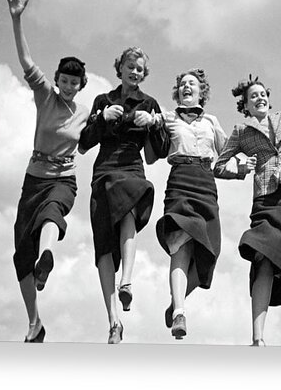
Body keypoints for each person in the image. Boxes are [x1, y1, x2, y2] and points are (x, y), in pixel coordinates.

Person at [5, 0, 90, 343]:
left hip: (63, 180)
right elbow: (26, 61)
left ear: (82, 85)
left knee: (52, 215)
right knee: (19, 255)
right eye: (65, 81)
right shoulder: (45, 96)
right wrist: (17, 18)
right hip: (33, 179)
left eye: (75, 82)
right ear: (57, 81)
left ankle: (48, 256)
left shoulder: (86, 113)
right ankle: (35, 323)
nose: (69, 86)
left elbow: (106, 129)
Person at [214, 76, 281, 347]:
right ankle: (257, 339)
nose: (260, 98)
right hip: (265, 200)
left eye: (263, 94)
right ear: (245, 104)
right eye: (253, 96)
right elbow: (218, 166)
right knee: (262, 260)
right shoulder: (240, 130)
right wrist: (240, 170)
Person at [79, 47, 164, 344]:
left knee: (129, 207)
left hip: (131, 166)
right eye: (130, 66)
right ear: (120, 68)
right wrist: (101, 118)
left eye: (140, 68)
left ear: (144, 74)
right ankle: (114, 321)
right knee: (103, 244)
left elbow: (160, 152)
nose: (135, 71)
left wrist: (153, 124)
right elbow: (83, 144)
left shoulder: (150, 103)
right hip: (103, 170)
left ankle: (127, 279)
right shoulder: (103, 100)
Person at [154, 69, 226, 340]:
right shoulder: (168, 118)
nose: (186, 86)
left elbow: (227, 152)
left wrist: (241, 164)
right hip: (180, 182)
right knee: (181, 249)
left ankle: (176, 300)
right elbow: (150, 123)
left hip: (206, 183)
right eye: (182, 83)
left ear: (201, 91)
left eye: (191, 83)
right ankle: (180, 313)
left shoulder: (211, 121)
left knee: (212, 252)